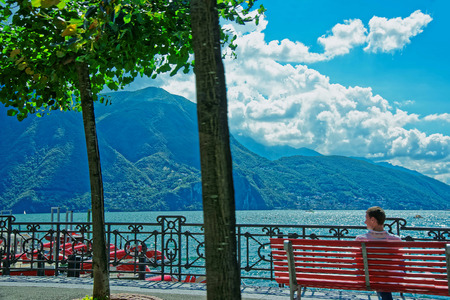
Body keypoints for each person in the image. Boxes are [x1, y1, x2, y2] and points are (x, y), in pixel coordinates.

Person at [356, 206, 401, 300]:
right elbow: (399, 263)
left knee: (379, 278)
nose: (365, 222)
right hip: (392, 280)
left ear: (373, 220)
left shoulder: (360, 239)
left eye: (366, 219)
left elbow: (358, 262)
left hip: (369, 279)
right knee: (384, 278)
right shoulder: (396, 240)